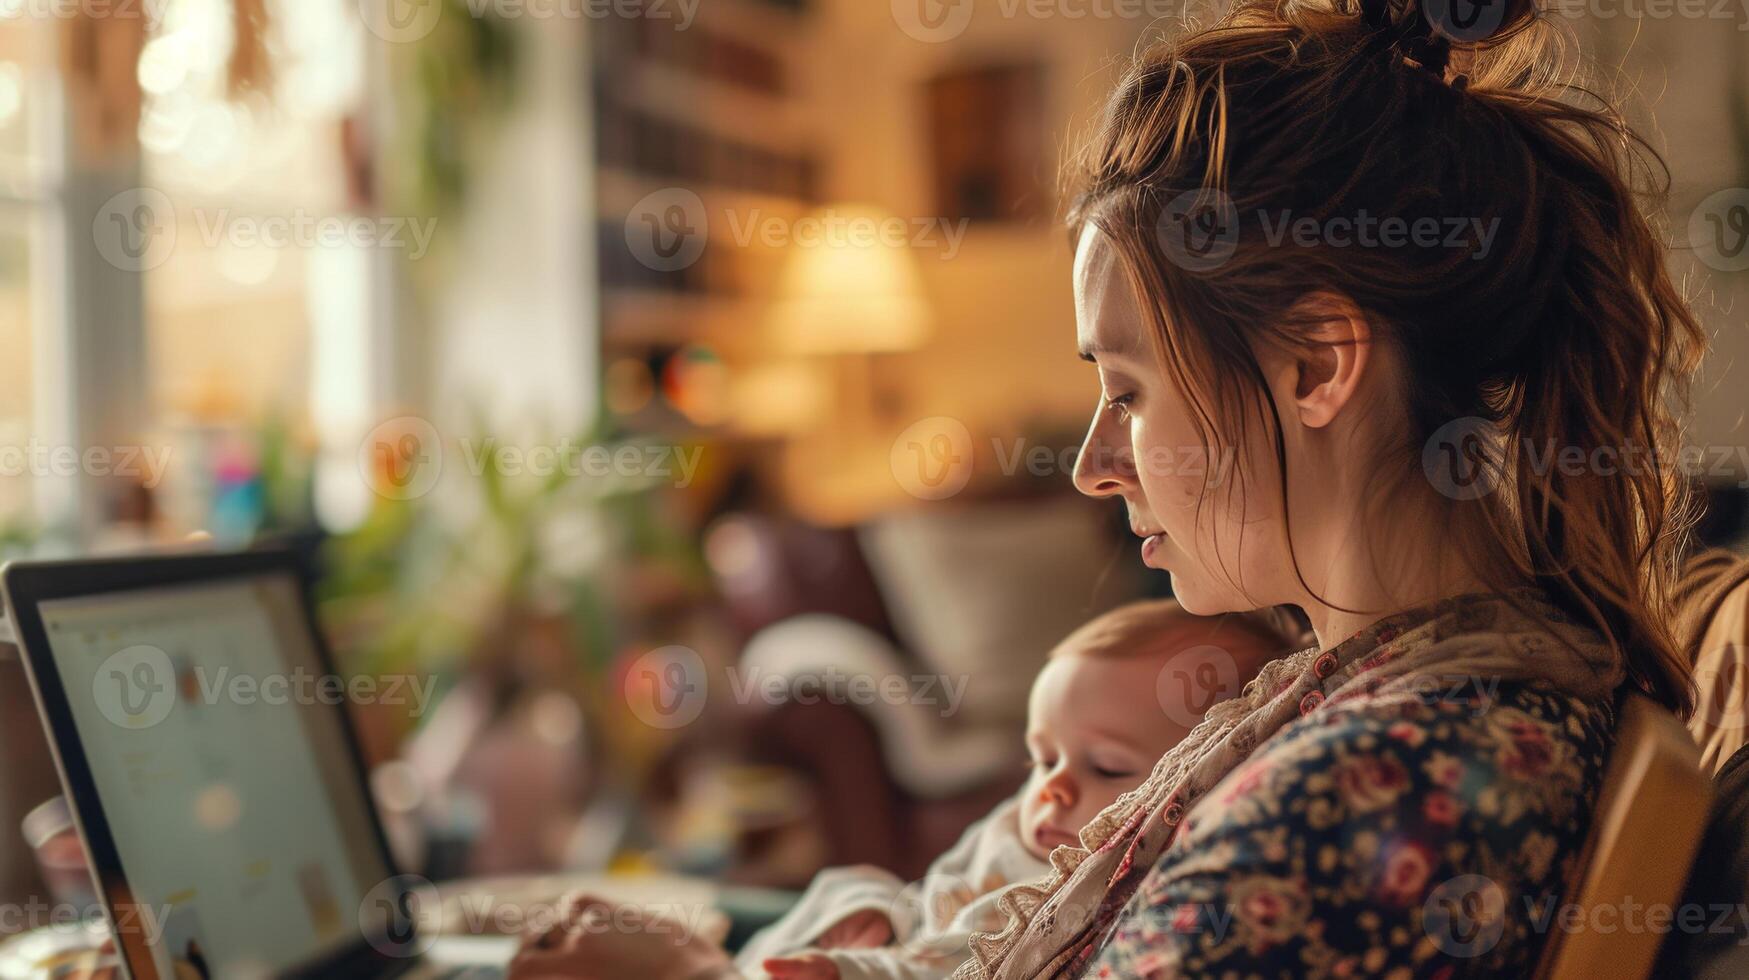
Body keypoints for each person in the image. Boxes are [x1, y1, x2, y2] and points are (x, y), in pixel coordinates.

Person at [506, 0, 1703, 974]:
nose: (1092, 460)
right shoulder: (1406, 702)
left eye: (1127, 389)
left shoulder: (1358, 798)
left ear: (1318, 364)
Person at [739, 600, 1293, 980]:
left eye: (1106, 767)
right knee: (851, 888)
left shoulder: (1095, 882)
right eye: (1043, 758)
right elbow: (937, 892)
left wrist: (855, 968)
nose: (1053, 788)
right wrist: (883, 912)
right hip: (906, 940)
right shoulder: (1019, 824)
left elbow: (969, 957)